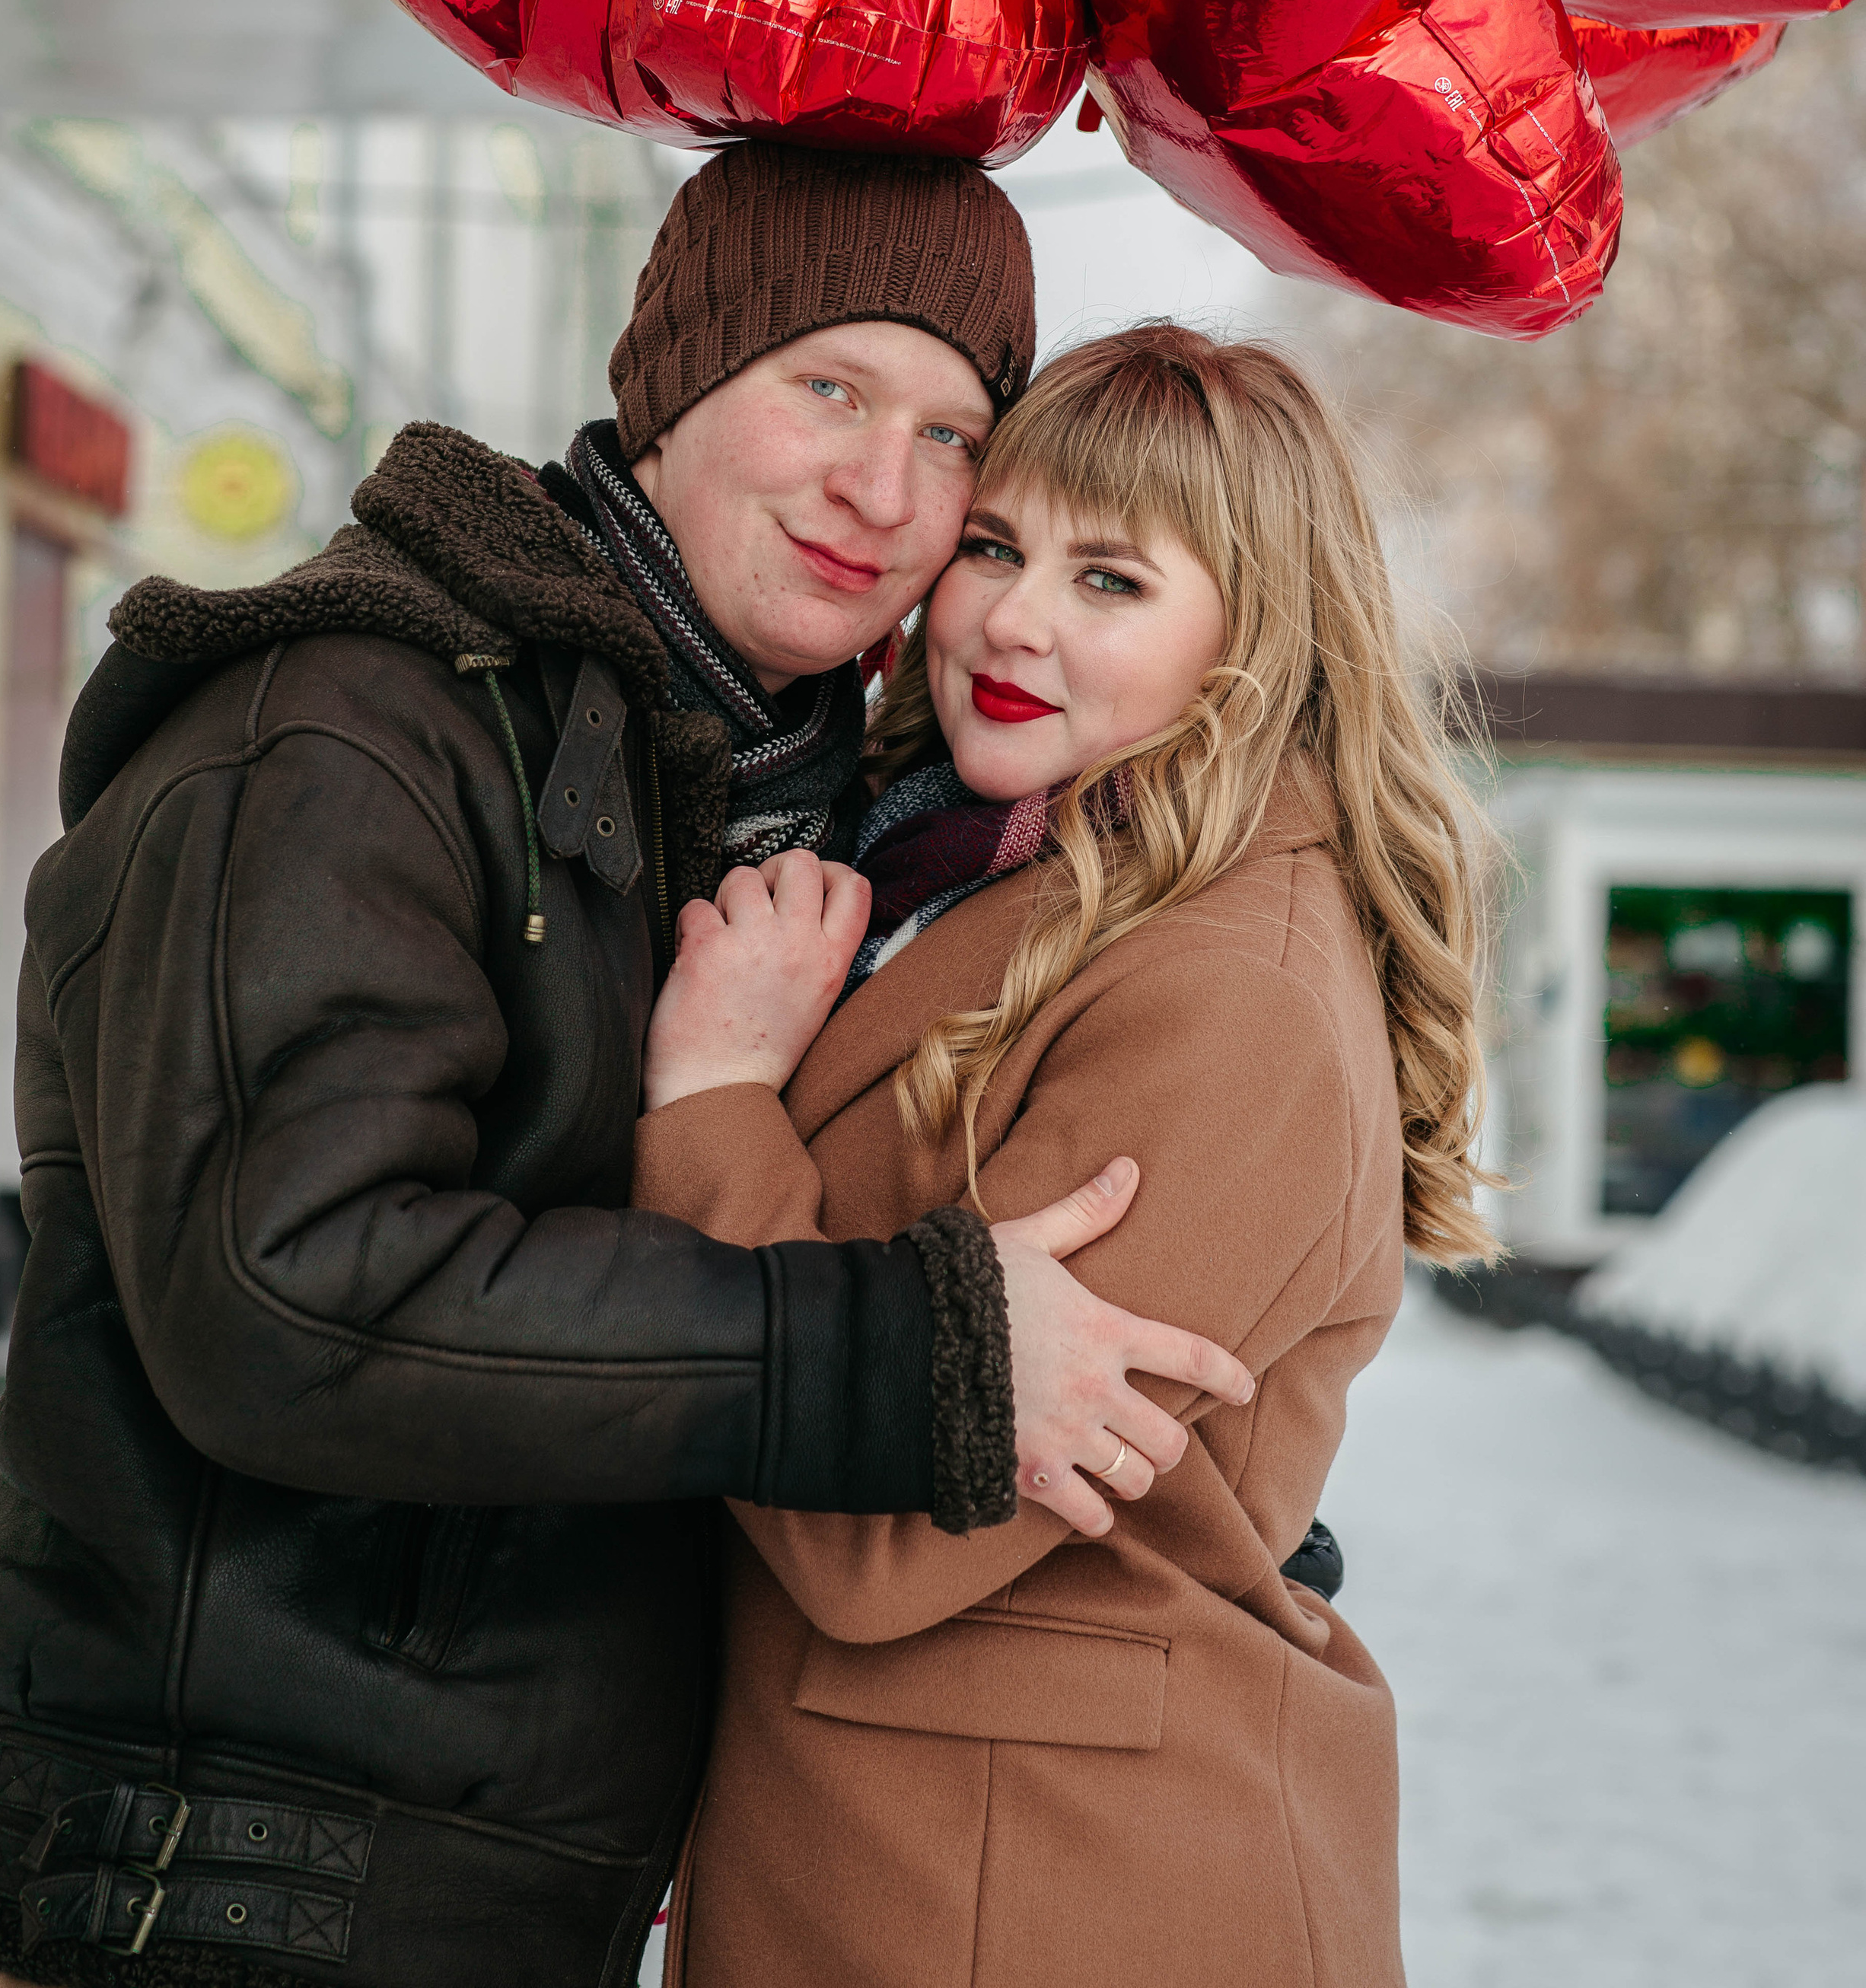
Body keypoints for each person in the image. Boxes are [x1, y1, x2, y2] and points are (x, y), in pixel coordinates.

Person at [0, 154, 1252, 1988]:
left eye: (954, 436)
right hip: (203, 1900)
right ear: (676, 380)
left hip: (478, 1907)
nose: (886, 492)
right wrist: (897, 1356)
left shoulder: (727, 798)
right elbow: (293, 1300)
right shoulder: (343, 735)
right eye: (831, 389)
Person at [632, 322, 1501, 1987]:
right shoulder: (989, 871)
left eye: (1111, 580)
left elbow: (895, 1532)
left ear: (1255, 635)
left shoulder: (1220, 996)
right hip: (913, 1850)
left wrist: (716, 1103)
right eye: (991, 547)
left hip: (1037, 1891)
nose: (1010, 619)